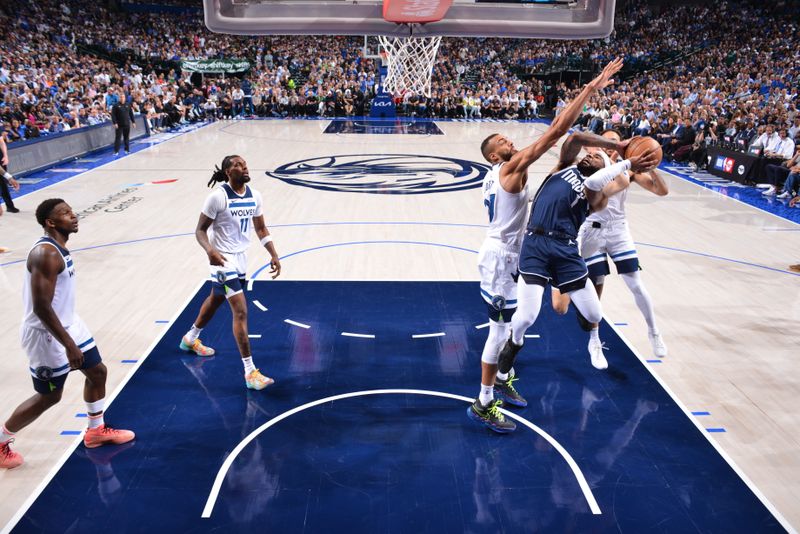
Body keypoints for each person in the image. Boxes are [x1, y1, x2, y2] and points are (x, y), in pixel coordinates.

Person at [469, 58, 624, 433]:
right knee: (499, 332)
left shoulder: (496, 175)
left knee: (513, 327)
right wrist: (590, 88)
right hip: (501, 257)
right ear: (495, 156)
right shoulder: (510, 168)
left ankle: (502, 377)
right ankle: (484, 401)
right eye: (504, 142)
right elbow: (558, 131)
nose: (511, 141)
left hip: (512, 252)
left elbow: (566, 145)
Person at [494, 132, 660, 383]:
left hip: (566, 249)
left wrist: (625, 165)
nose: (591, 155)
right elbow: (575, 139)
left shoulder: (597, 198)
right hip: (536, 243)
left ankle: (591, 330)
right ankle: (514, 342)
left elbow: (598, 184)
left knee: (595, 315)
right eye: (591, 153)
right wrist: (616, 146)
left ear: (604, 170)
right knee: (527, 317)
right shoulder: (563, 166)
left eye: (596, 158)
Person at [1, 199, 135, 469]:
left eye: (72, 210)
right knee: (50, 396)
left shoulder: (59, 248)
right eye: (65, 213)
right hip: (45, 333)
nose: (73, 216)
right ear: (50, 223)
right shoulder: (46, 254)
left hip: (68, 323)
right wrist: (70, 345)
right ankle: (2, 440)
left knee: (97, 372)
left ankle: (96, 431)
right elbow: (41, 307)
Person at [179, 155, 281, 391]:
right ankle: (250, 372)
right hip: (222, 261)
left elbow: (261, 227)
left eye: (244, 163)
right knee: (241, 312)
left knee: (216, 300)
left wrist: (273, 253)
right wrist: (210, 251)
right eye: (236, 165)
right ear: (227, 172)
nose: (243, 166)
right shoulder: (217, 197)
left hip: (241, 258)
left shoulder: (255, 196)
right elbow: (200, 231)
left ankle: (190, 339)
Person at [575, 129, 669, 362]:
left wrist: (650, 165)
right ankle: (594, 340)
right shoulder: (592, 166)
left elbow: (662, 191)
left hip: (618, 229)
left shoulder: (630, 169)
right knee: (596, 285)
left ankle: (654, 331)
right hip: (592, 228)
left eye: (617, 142)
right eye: (608, 142)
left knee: (635, 283)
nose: (612, 146)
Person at [1, 134, 20, 213]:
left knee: (3, 183)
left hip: (1, 159)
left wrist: (5, 155)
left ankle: (9, 206)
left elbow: (1, 142)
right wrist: (9, 178)